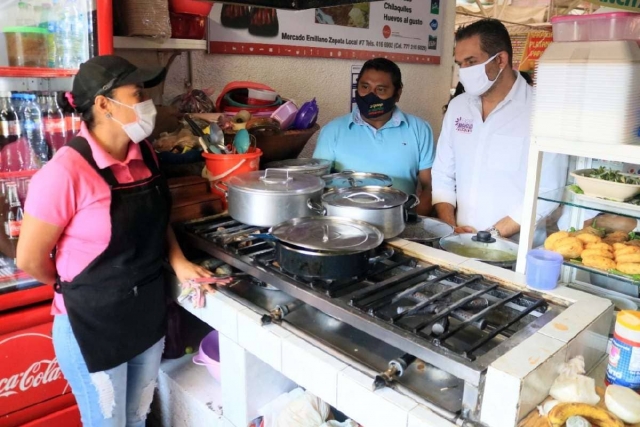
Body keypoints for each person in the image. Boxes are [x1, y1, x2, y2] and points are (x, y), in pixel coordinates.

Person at [16, 55, 215, 427]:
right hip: (93, 325)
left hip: (146, 313)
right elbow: (29, 259)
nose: (147, 102)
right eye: (138, 92)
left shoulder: (146, 155)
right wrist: (78, 289)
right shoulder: (65, 172)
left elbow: (156, 220)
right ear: (105, 104)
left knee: (138, 417)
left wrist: (179, 262)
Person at [432, 19, 567, 242]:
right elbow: (443, 174)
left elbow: (549, 192)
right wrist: (449, 225)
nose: (464, 72)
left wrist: (490, 236)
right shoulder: (458, 107)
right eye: (460, 64)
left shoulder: (541, 111)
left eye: (471, 62)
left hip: (515, 252)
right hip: (459, 241)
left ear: (501, 60)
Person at [313, 58, 435, 215]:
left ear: (397, 93)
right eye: (365, 87)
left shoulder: (420, 129)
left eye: (381, 89)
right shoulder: (332, 131)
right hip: (346, 224)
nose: (371, 96)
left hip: (401, 223)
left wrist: (414, 223)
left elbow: (431, 187)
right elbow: (316, 186)